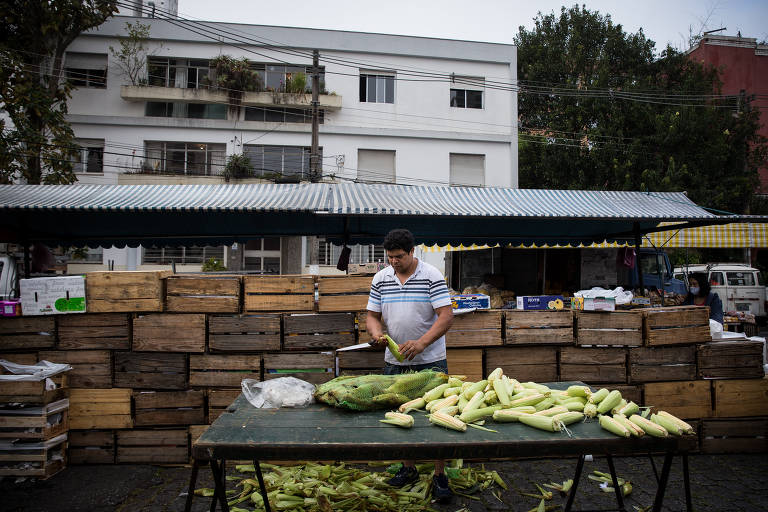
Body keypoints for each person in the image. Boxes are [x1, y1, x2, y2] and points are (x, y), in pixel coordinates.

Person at [365, 228, 455, 503]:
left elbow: (446, 316)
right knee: (400, 418)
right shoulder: (381, 278)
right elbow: (371, 315)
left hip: (430, 360)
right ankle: (409, 468)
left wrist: (422, 343)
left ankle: (440, 474)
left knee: (438, 417)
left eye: (399, 257)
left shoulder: (431, 276)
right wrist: (375, 333)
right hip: (395, 362)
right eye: (390, 257)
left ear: (412, 252)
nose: (394, 261)